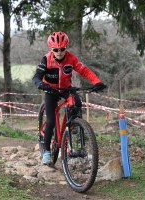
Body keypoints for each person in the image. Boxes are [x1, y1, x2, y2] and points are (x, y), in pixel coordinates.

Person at [32, 31, 106, 165]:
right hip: (50, 90)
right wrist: (41, 84)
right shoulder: (46, 59)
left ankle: (73, 124)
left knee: (77, 102)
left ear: (66, 47)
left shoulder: (71, 58)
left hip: (66, 88)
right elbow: (37, 76)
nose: (59, 52)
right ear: (51, 49)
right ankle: (47, 151)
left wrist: (97, 82)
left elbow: (85, 71)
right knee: (51, 121)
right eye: (56, 49)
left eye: (62, 49)